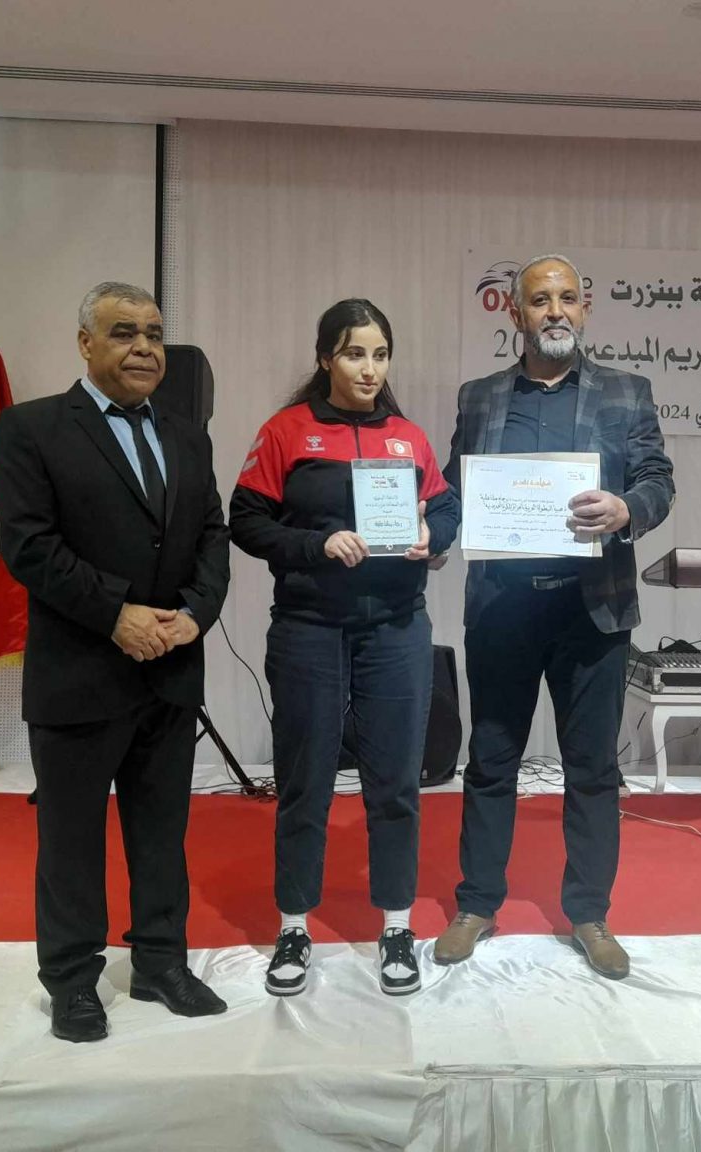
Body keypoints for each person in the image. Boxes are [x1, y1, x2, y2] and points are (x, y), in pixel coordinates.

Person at [0, 281, 231, 1042]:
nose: (144, 348)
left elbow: (212, 536)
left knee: (161, 833)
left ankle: (161, 962)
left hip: (170, 669)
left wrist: (193, 615)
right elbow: (29, 546)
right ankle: (72, 980)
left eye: (154, 334)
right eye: (124, 332)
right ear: (85, 344)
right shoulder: (32, 428)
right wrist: (116, 614)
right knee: (70, 840)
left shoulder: (187, 436)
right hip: (79, 671)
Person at [435, 254, 675, 980]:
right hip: (503, 610)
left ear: (585, 307)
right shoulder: (479, 397)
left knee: (593, 768)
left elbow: (657, 479)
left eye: (567, 298)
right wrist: (435, 535)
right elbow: (454, 488)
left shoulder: (627, 392)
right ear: (516, 312)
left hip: (591, 611)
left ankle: (590, 914)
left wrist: (628, 508)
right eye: (540, 300)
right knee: (490, 761)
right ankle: (477, 905)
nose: (555, 312)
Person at [230, 298, 460, 997]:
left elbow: (445, 504)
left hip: (395, 627)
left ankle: (396, 925)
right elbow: (245, 520)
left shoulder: (407, 437)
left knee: (397, 781)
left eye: (380, 355)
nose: (369, 369)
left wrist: (435, 534)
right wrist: (316, 544)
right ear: (325, 357)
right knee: (306, 781)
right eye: (355, 353)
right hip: (309, 628)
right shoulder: (286, 431)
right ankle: (293, 926)